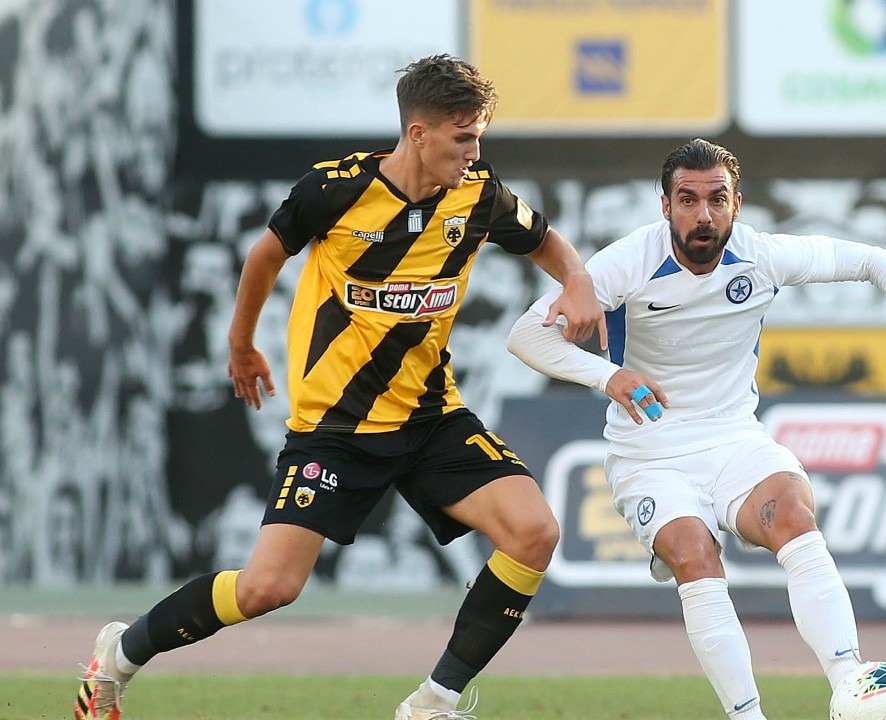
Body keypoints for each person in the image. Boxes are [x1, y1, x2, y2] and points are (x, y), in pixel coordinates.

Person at [73, 53, 605, 720]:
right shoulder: (336, 189)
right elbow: (266, 253)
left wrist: (577, 280)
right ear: (418, 134)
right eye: (463, 137)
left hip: (431, 419)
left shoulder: (480, 195)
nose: (475, 152)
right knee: (268, 588)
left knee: (534, 533)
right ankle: (120, 654)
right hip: (335, 429)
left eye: (479, 137)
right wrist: (241, 344)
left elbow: (547, 241)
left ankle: (433, 702)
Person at [506, 138, 886, 718]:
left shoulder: (762, 255)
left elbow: (873, 260)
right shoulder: (627, 262)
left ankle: (851, 683)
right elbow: (525, 335)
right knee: (694, 554)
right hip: (649, 454)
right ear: (666, 205)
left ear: (737, 203)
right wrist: (609, 376)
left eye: (717, 199)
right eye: (688, 200)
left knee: (794, 516)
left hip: (734, 438)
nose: (703, 215)